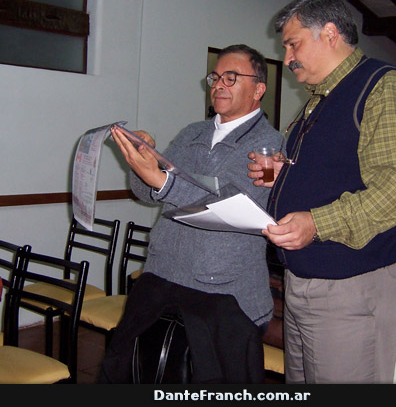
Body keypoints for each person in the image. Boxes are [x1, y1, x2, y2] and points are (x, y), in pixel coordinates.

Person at [248, 0, 396, 383]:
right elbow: (335, 171)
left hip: (352, 285)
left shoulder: (383, 87)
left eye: (293, 44)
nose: (287, 57)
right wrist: (283, 173)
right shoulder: (320, 98)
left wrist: (317, 223)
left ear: (329, 34)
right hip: (305, 278)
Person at [99, 44, 283, 383]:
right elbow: (147, 194)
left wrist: (161, 179)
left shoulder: (271, 147)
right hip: (162, 277)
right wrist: (142, 164)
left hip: (223, 294)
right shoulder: (191, 133)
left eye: (231, 77)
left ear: (258, 89)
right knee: (133, 372)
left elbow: (236, 205)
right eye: (215, 77)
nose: (219, 85)